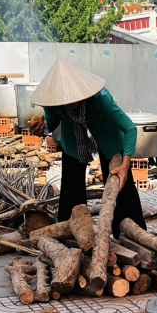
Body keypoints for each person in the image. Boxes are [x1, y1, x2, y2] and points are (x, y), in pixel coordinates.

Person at [33, 60, 146, 237]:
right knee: (71, 188)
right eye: (65, 99)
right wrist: (42, 129)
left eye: (73, 98)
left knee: (121, 186)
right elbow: (52, 121)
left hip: (109, 138)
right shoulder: (52, 102)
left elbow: (130, 128)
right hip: (74, 142)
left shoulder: (101, 99)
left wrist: (125, 165)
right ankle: (73, 234)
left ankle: (130, 233)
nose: (69, 102)